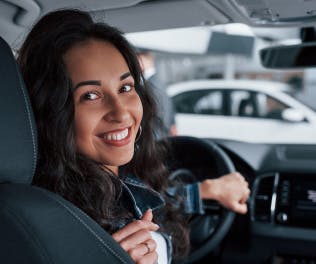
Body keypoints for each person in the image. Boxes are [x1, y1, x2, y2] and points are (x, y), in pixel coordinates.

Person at [17, 9, 250, 264]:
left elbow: (155, 203)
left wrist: (206, 190)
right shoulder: (48, 223)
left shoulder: (120, 178)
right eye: (91, 95)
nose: (121, 113)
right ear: (50, 111)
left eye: (125, 87)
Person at [136, 49, 178, 137]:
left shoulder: (152, 84)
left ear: (142, 60)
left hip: (155, 136)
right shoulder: (157, 81)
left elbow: (155, 114)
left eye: (137, 60)